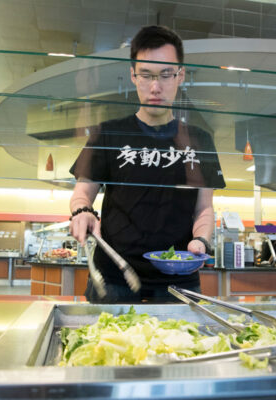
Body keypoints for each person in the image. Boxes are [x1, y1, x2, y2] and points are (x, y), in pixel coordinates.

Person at [69, 25, 225, 303]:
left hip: (179, 278)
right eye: (146, 75)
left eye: (166, 74)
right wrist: (82, 211)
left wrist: (200, 241)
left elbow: (204, 208)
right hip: (115, 275)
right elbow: (82, 192)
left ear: (181, 75)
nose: (156, 87)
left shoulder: (199, 139)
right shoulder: (108, 133)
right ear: (133, 75)